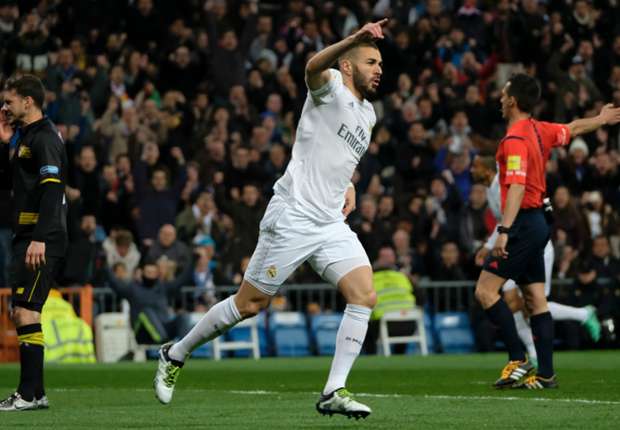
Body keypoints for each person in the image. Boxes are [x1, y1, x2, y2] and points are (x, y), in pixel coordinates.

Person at [153, 19, 388, 419]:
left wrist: (349, 186)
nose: (379, 69)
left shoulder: (369, 116)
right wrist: (353, 38)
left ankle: (334, 390)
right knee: (250, 304)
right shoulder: (329, 85)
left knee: (364, 294)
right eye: (370, 61)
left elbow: (338, 157)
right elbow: (312, 67)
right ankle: (175, 353)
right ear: (348, 66)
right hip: (293, 214)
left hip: (330, 222)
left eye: (380, 62)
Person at [474, 74, 620, 390]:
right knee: (535, 300)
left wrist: (503, 231)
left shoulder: (514, 140)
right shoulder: (541, 130)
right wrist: (602, 119)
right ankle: (547, 375)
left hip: (523, 224)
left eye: (502, 94)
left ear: (512, 100)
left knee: (485, 291)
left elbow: (515, 187)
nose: (499, 99)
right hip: (539, 223)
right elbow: (576, 127)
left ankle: (519, 358)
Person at [471, 155, 601, 366]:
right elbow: (503, 223)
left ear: (486, 170)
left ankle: (583, 314)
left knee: (534, 303)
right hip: (515, 248)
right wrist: (487, 247)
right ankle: (532, 352)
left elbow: (513, 218)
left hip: (536, 248)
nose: (470, 171)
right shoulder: (490, 189)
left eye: (474, 167)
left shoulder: (504, 185)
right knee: (513, 302)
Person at [0, 75, 68, 411]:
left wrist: (40, 238)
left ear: (28, 101)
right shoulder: (24, 136)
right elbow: (6, 184)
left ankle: (28, 395)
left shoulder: (45, 137)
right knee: (21, 312)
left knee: (26, 310)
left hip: (41, 239)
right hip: (26, 237)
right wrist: (3, 143)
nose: (3, 107)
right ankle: (35, 393)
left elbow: (53, 189)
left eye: (8, 101)